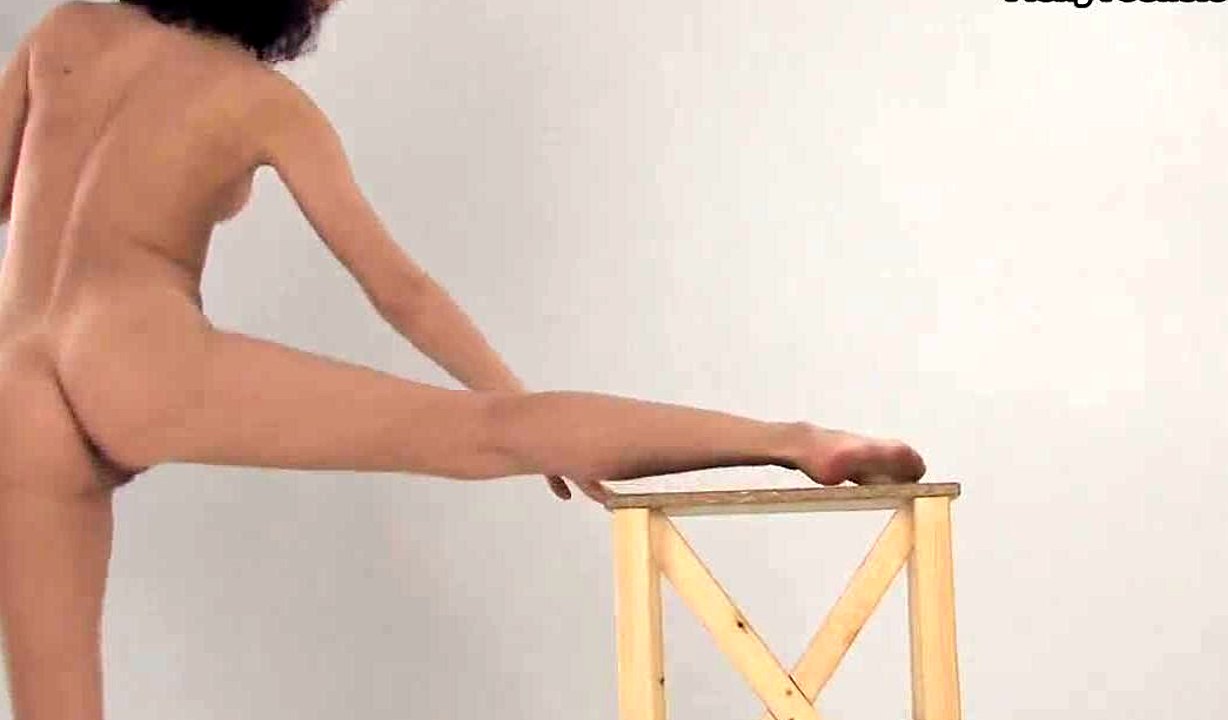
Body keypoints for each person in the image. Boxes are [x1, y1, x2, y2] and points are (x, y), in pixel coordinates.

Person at [0, 1, 927, 717]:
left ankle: (778, 439)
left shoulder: (64, 32)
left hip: (14, 374)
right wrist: (517, 411)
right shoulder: (262, 102)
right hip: (136, 354)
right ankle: (793, 439)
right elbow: (398, 288)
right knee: (490, 433)